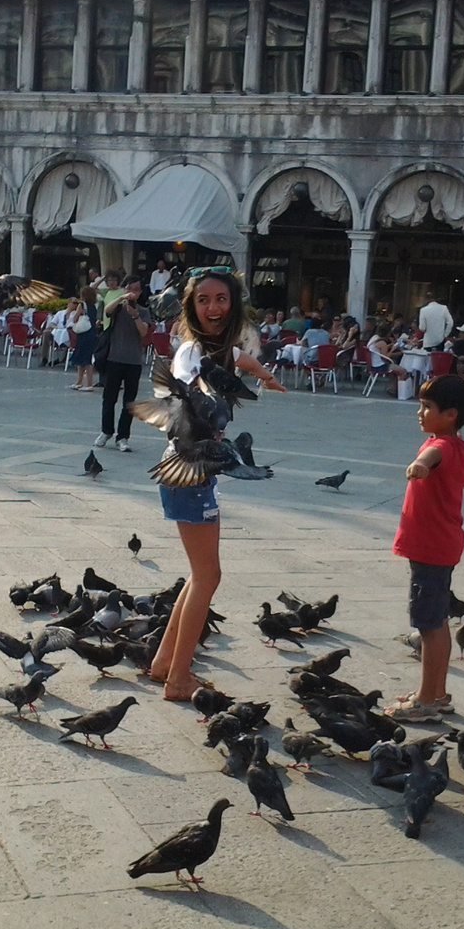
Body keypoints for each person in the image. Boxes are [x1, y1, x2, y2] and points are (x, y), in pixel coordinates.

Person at [148, 269, 285, 701]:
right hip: (189, 472)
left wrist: (264, 376)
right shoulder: (191, 350)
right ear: (191, 306)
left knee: (200, 574)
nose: (213, 307)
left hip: (193, 472)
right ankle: (179, 679)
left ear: (234, 302)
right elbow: (186, 384)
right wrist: (204, 410)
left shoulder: (216, 348)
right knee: (208, 576)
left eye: (222, 298)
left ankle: (165, 663)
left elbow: (237, 359)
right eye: (203, 299)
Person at [384, 374, 464, 722]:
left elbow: (435, 456)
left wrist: (421, 464)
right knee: (436, 622)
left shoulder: (444, 447)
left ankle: (425, 701)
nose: (419, 413)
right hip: (440, 545)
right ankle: (437, 693)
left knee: (429, 625)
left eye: (427, 407)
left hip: (431, 548)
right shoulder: (454, 445)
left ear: (450, 414)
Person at [95, 274, 151, 452]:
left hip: (133, 361)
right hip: (114, 358)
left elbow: (143, 333)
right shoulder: (117, 308)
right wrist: (121, 298)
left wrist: (135, 317)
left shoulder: (143, 312)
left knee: (129, 402)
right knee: (108, 398)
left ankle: (123, 437)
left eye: (136, 290)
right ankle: (106, 431)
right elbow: (106, 311)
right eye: (129, 289)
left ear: (141, 292)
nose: (132, 293)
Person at [67, 291, 96, 391]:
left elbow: (75, 318)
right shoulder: (93, 306)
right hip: (91, 333)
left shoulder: (82, 305)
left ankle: (87, 383)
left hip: (83, 334)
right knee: (86, 358)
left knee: (84, 359)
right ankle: (82, 382)